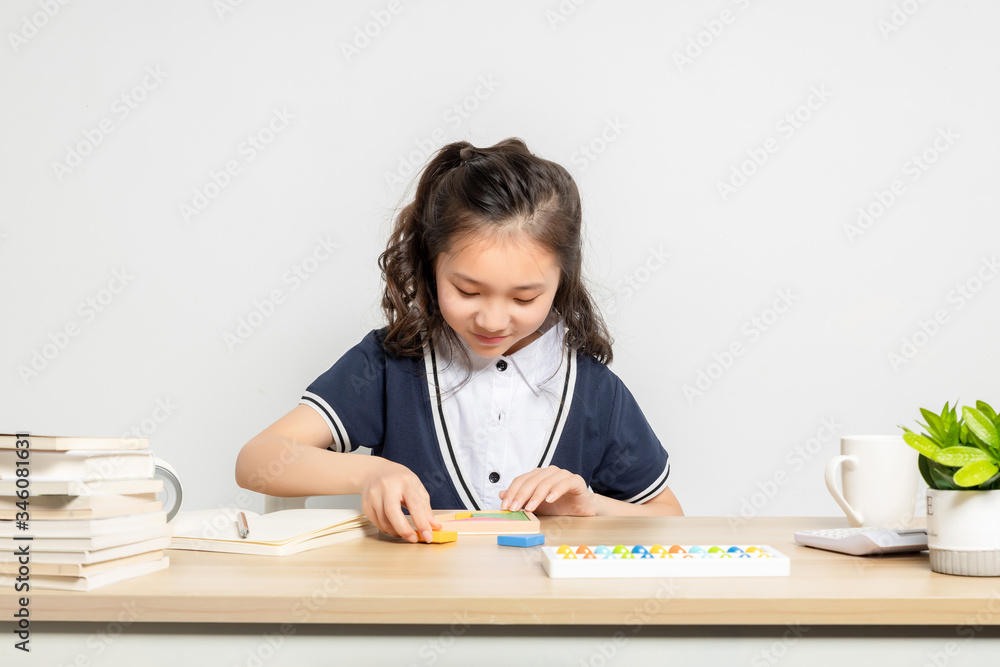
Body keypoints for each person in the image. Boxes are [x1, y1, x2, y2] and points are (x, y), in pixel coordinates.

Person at [235, 138, 682, 544]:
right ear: (432, 265)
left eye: (524, 297)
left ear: (562, 280)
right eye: (467, 291)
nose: (492, 318)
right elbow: (257, 460)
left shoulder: (595, 392)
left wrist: (592, 506)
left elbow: (672, 523)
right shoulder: (391, 363)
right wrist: (368, 471)